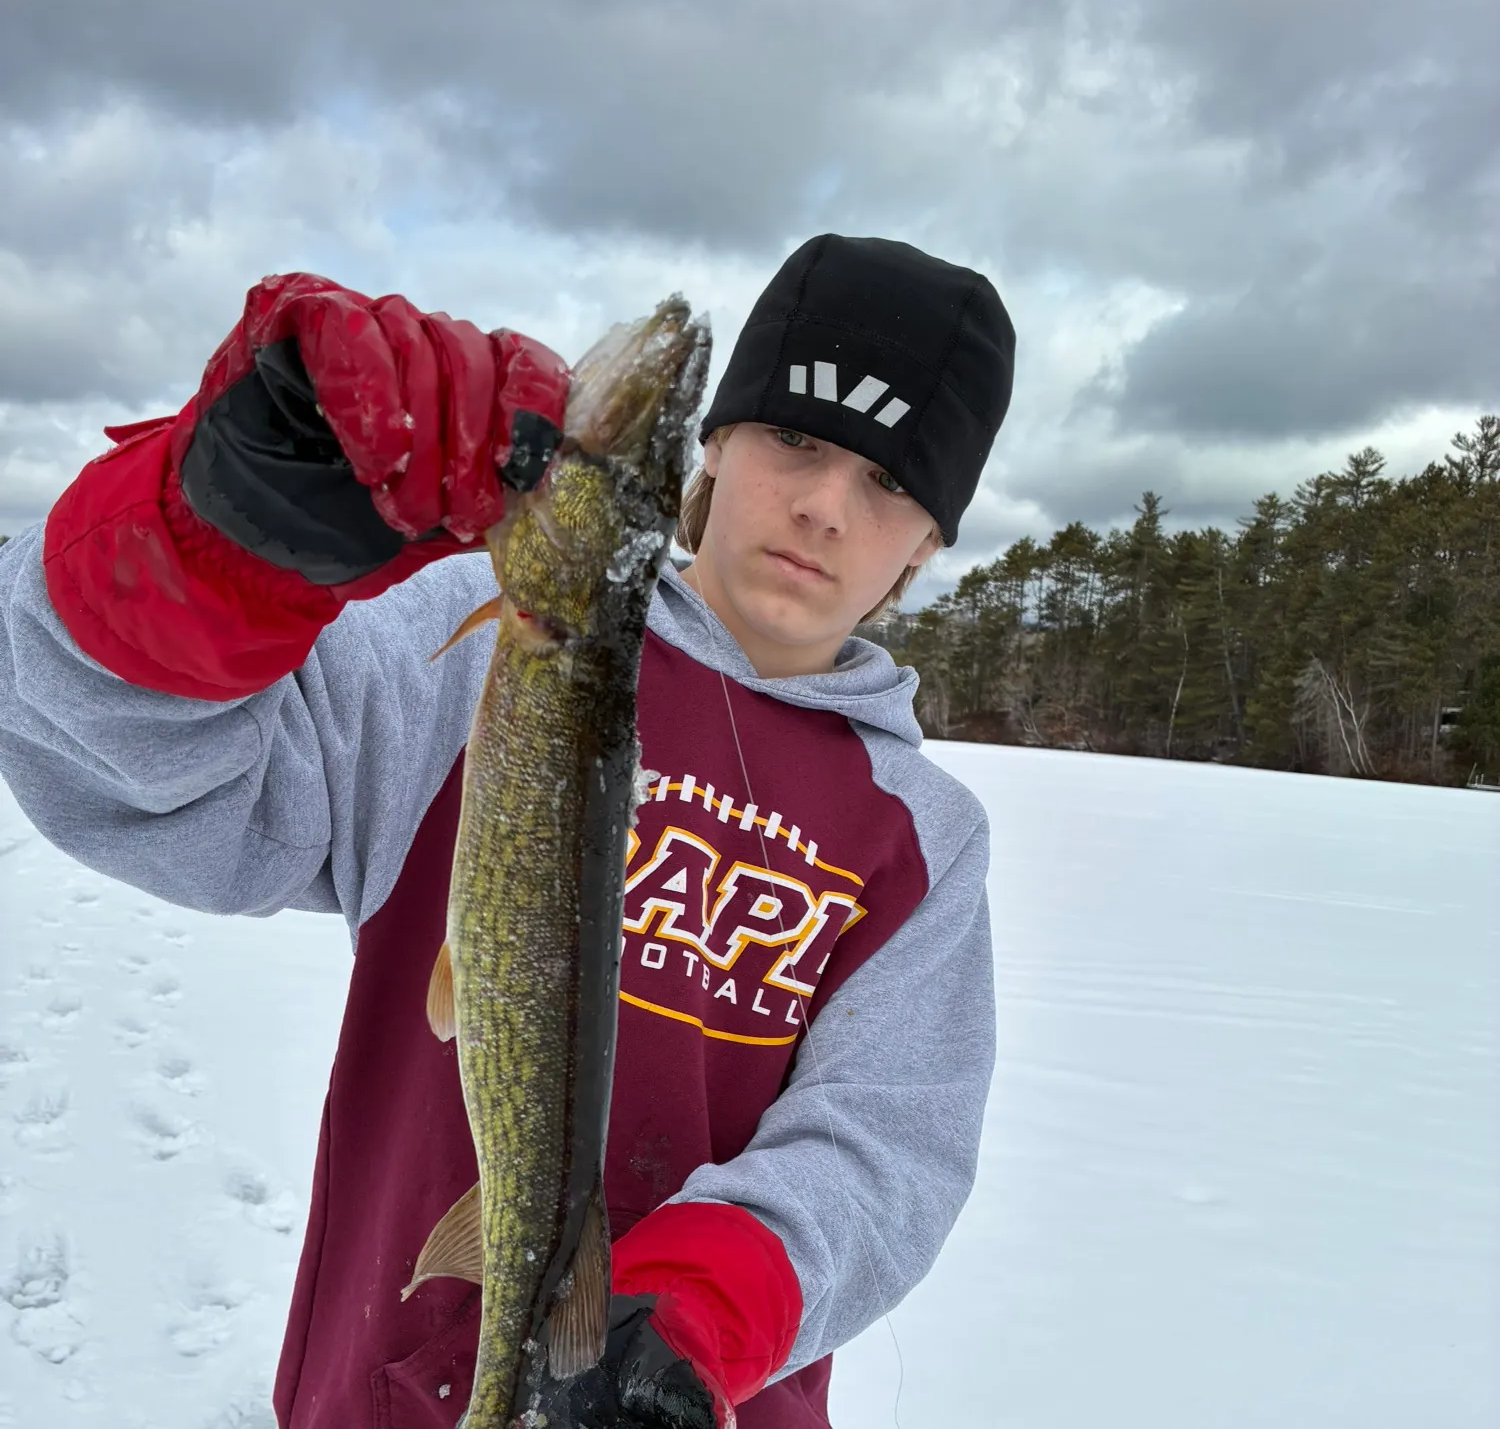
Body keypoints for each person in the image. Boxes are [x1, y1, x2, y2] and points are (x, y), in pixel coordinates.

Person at [0, 233, 1015, 1429]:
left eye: (889, 483)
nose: (823, 506)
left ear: (932, 540)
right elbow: (143, 777)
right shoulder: (461, 644)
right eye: (793, 439)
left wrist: (697, 1313)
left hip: (681, 1404)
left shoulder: (921, 838)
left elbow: (888, 1149)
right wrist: (217, 542)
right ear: (717, 444)